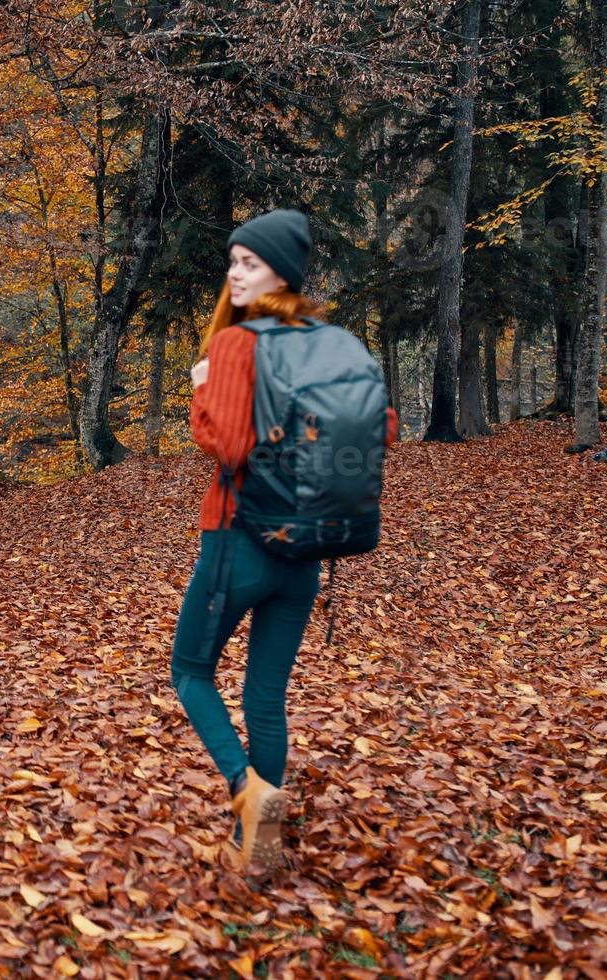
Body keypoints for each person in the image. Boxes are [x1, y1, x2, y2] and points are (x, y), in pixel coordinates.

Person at [172, 209, 399, 877]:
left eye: (248, 262)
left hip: (236, 543)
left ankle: (249, 793)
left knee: (189, 673)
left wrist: (201, 393)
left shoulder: (237, 346)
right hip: (304, 550)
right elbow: (379, 430)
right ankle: (257, 848)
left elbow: (228, 444)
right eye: (233, 260)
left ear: (280, 272)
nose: (234, 272)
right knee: (264, 695)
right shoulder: (332, 341)